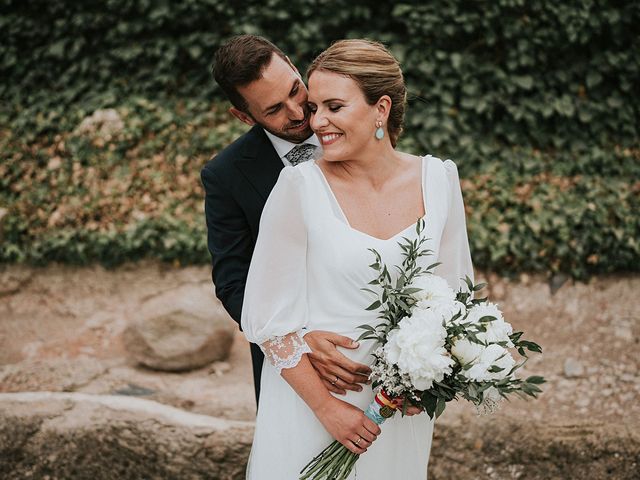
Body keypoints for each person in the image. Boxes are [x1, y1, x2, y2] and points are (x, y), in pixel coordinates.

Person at [241, 39, 474, 478]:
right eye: (313, 107)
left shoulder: (438, 180)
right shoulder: (299, 187)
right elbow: (268, 321)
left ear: (380, 109)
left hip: (401, 408)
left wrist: (426, 379)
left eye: (333, 107)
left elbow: (455, 297)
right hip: (315, 399)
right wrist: (328, 409)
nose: (316, 122)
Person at [201, 35, 372, 405]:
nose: (298, 113)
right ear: (244, 116)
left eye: (296, 91)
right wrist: (299, 340)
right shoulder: (226, 175)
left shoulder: (357, 130)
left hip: (373, 341)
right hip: (292, 365)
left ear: (296, 68)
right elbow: (234, 283)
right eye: (274, 109)